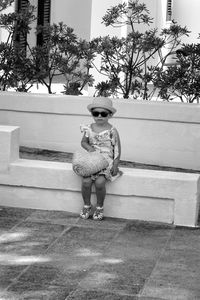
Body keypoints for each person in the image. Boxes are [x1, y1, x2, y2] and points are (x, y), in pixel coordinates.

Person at [79, 97, 122, 221]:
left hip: (106, 161)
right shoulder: (88, 128)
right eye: (95, 113)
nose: (99, 116)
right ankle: (87, 205)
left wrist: (115, 164)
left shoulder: (112, 131)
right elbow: (83, 142)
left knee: (99, 183)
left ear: (110, 115)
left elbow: (117, 149)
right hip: (92, 159)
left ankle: (99, 207)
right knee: (86, 182)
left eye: (103, 114)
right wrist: (89, 148)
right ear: (92, 114)